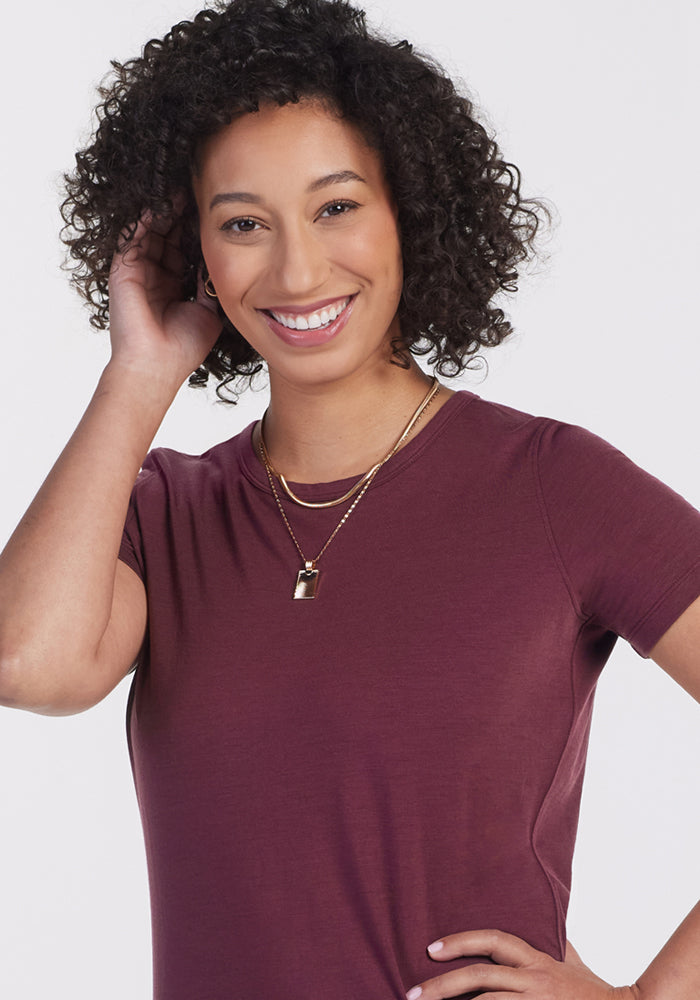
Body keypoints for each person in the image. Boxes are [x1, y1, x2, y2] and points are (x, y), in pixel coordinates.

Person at [0, 0, 698, 997]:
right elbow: (25, 661)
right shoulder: (166, 513)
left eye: (336, 206)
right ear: (193, 249)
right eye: (243, 223)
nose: (296, 268)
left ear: (407, 207)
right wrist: (139, 374)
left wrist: (648, 999)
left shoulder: (551, 487)